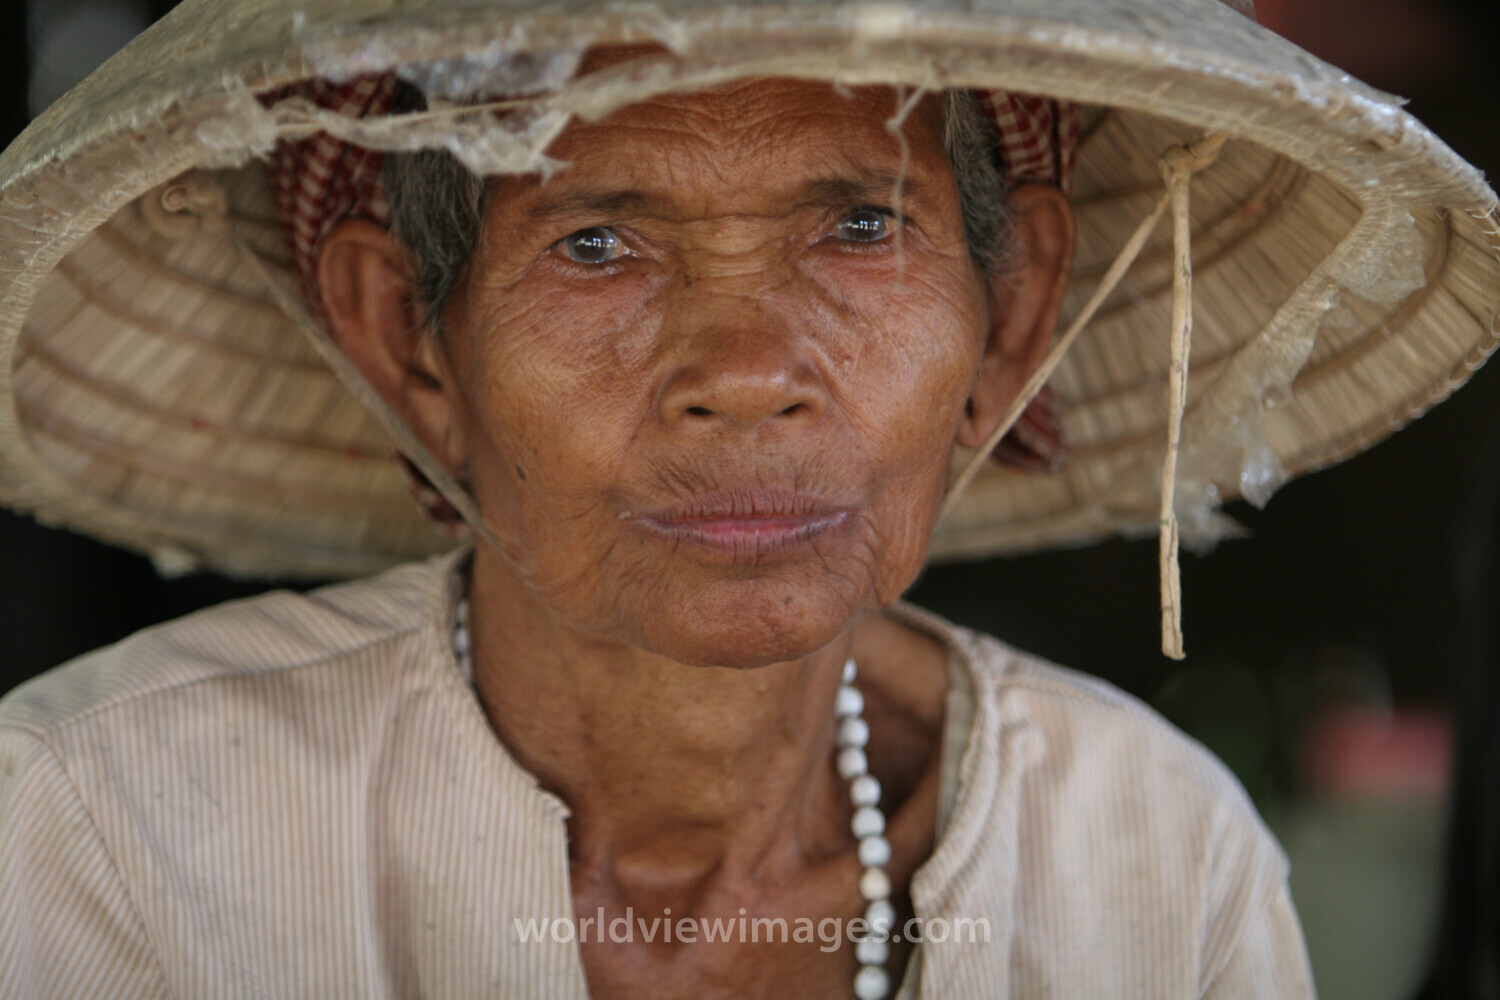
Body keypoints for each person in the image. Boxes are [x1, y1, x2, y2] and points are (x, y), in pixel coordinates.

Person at [0, 0, 1494, 996]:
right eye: (597, 244)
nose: (746, 373)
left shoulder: (1153, 858)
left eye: (860, 227)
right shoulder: (106, 827)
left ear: (1014, 318)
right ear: (409, 342)